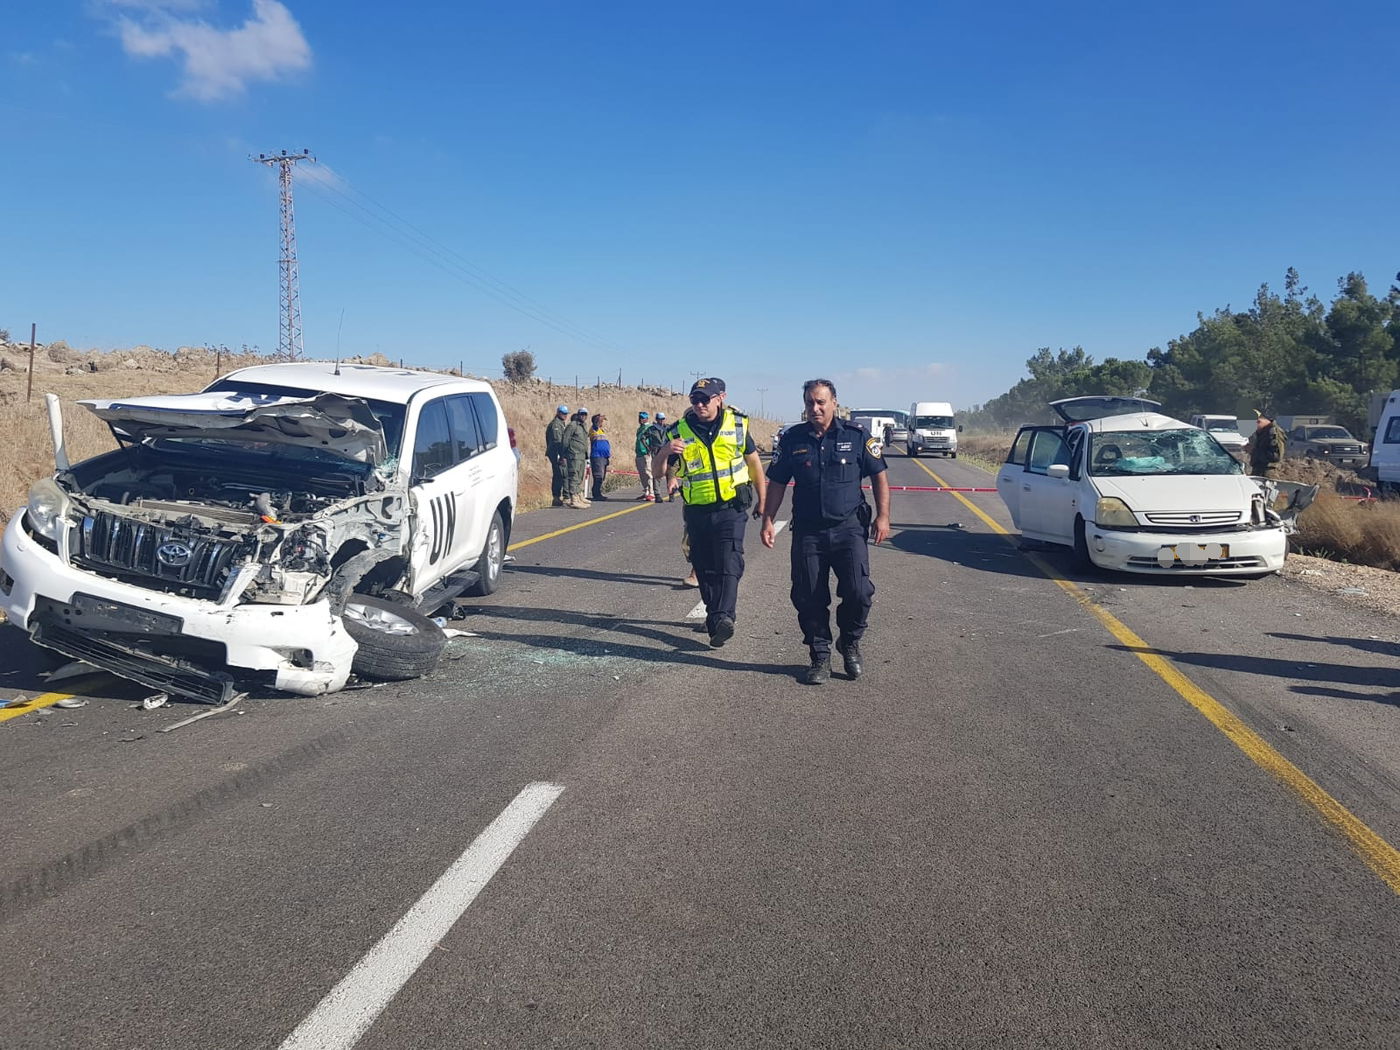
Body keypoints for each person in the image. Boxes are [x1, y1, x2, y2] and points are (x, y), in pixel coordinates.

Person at [761, 378, 891, 685]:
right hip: (809, 532)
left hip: (849, 529)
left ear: (834, 403)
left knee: (859, 592)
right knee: (808, 595)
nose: (815, 408)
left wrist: (883, 517)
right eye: (810, 402)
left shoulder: (857, 436)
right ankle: (819, 655)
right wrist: (768, 519)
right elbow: (777, 482)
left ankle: (849, 642)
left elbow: (879, 476)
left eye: (821, 402)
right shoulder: (793, 438)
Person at [662, 378, 766, 647]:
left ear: (720, 398)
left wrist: (763, 501)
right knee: (704, 567)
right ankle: (715, 617)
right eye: (694, 400)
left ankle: (724, 617)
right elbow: (660, 469)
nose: (699, 405)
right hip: (697, 509)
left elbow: (753, 463)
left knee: (729, 561)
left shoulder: (738, 425)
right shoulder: (679, 431)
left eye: (704, 399)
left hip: (731, 506)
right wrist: (664, 454)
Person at [561, 408, 591, 509]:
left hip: (581, 455)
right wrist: (563, 454)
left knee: (579, 476)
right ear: (578, 415)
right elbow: (565, 440)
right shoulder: (572, 425)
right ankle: (574, 499)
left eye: (585, 414)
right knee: (574, 476)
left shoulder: (583, 426)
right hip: (573, 455)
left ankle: (579, 495)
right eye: (581, 414)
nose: (583, 416)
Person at [1247, 410, 1286, 478]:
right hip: (1259, 471)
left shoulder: (1273, 433)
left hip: (1267, 473)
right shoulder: (1262, 432)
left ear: (1259, 421)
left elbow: (1276, 456)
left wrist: (1254, 451)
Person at [545, 404, 570, 507]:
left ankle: (559, 498)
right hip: (556, 453)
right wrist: (562, 456)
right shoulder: (556, 424)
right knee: (560, 474)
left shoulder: (561, 423)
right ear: (558, 413)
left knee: (560, 475)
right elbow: (558, 442)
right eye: (563, 413)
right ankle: (558, 497)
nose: (565, 415)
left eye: (566, 414)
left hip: (558, 453)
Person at [634, 411, 658, 501]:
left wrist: (649, 450)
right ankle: (646, 491)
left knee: (648, 472)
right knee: (642, 474)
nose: (640, 419)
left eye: (643, 418)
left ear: (647, 418)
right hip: (639, 453)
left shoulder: (650, 428)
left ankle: (652, 492)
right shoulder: (639, 428)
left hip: (646, 453)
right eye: (640, 417)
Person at [651, 412, 672, 502]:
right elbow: (642, 438)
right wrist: (649, 448)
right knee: (657, 474)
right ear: (656, 419)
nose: (661, 421)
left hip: (668, 452)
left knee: (670, 473)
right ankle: (657, 495)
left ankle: (671, 494)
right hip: (657, 452)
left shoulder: (668, 428)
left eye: (662, 419)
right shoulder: (652, 429)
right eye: (659, 419)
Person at [589, 413, 611, 500]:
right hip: (597, 456)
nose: (602, 423)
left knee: (603, 476)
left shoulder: (601, 431)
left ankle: (598, 492)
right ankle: (596, 494)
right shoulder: (593, 429)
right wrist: (598, 418)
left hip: (604, 456)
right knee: (598, 476)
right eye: (600, 421)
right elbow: (595, 424)